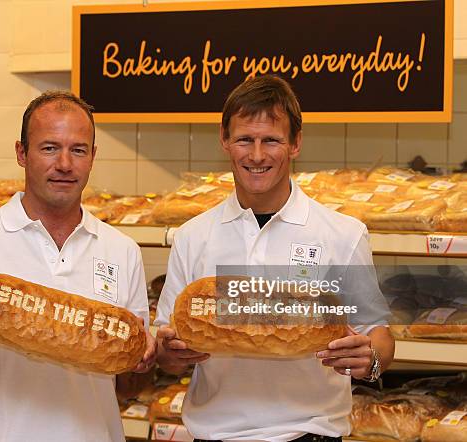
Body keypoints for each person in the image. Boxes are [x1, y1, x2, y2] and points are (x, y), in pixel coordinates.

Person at [154, 75, 394, 442]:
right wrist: (170, 354)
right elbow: (167, 343)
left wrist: (371, 359)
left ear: (295, 143)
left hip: (308, 433)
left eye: (271, 140)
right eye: (244, 140)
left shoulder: (342, 234)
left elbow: (378, 333)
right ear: (224, 140)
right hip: (214, 433)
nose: (257, 155)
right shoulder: (193, 236)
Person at [0, 90, 156, 442]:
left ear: (93, 156)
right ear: (21, 153)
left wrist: (143, 359)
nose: (65, 164)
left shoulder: (122, 251)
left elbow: (128, 386)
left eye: (78, 149)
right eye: (49, 148)